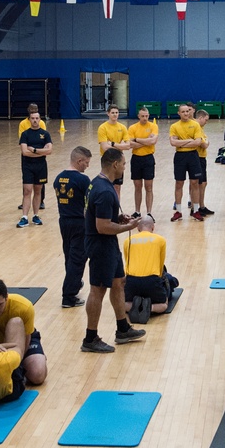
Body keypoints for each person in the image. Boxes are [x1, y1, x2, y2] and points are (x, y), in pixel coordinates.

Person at [82, 148, 146, 352]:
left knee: (118, 283)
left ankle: (122, 328)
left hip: (108, 244)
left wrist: (118, 219)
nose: (125, 167)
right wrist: (127, 227)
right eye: (124, 163)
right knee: (98, 290)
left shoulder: (99, 183)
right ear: (115, 165)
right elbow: (102, 227)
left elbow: (102, 219)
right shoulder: (103, 191)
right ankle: (90, 338)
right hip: (101, 245)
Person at [0, 278, 47, 384]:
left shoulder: (24, 306)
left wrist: (14, 367)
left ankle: (33, 360)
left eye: (0, 305)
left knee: (38, 375)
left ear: (6, 297)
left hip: (22, 342)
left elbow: (27, 339)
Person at [54, 147, 92, 308]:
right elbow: (89, 204)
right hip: (79, 223)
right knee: (77, 259)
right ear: (79, 161)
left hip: (63, 221)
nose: (87, 166)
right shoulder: (83, 180)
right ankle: (68, 297)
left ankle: (74, 284)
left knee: (69, 256)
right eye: (86, 162)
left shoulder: (58, 178)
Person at [123, 216, 178, 315]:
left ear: (138, 228)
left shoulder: (127, 241)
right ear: (153, 228)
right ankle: (149, 307)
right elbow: (161, 267)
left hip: (132, 280)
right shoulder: (160, 240)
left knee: (124, 304)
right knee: (164, 305)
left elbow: (127, 262)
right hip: (152, 280)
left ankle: (137, 305)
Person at [169, 104, 206, 221]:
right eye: (183, 112)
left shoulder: (195, 125)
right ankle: (178, 211)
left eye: (187, 111)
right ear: (179, 113)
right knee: (179, 183)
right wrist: (190, 140)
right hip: (180, 156)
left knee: (195, 182)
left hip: (193, 156)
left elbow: (197, 142)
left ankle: (195, 210)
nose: (186, 113)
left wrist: (181, 142)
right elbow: (173, 143)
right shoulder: (174, 126)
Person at [18, 109, 53, 228]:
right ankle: (24, 217)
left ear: (40, 119)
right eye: (32, 118)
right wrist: (41, 152)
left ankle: (36, 215)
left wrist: (34, 150)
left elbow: (49, 151)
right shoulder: (25, 134)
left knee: (38, 191)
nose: (35, 120)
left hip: (41, 166)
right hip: (28, 166)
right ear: (29, 119)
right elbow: (24, 152)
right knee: (27, 190)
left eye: (37, 118)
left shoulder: (45, 134)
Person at [127, 107, 158, 219]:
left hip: (148, 158)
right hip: (136, 159)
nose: (145, 118)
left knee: (149, 187)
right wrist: (146, 141)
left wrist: (137, 139)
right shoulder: (132, 127)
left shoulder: (153, 126)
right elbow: (130, 144)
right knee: (137, 186)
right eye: (143, 116)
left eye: (147, 116)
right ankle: (137, 211)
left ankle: (149, 213)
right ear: (138, 116)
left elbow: (153, 141)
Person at [97, 104, 131, 198]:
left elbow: (128, 146)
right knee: (107, 186)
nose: (115, 115)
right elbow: (104, 147)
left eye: (116, 113)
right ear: (108, 114)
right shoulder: (103, 128)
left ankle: (116, 210)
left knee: (117, 187)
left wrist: (112, 144)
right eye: (112, 113)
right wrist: (121, 147)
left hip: (119, 160)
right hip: (107, 160)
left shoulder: (122, 127)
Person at [18, 103, 47, 211]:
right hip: (27, 158)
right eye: (31, 109)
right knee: (26, 180)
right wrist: (33, 150)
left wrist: (35, 150)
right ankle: (25, 201)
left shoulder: (42, 123)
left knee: (40, 182)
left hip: (39, 158)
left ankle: (41, 201)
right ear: (28, 110)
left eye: (35, 109)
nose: (33, 110)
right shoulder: (22, 124)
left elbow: (44, 142)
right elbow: (23, 144)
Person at [193, 109, 215, 216]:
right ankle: (195, 208)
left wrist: (205, 142)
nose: (206, 122)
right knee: (198, 184)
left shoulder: (201, 128)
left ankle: (201, 206)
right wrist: (205, 142)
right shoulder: (195, 127)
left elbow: (205, 142)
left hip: (202, 157)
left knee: (203, 183)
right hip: (197, 157)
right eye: (205, 120)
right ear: (200, 118)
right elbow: (204, 144)